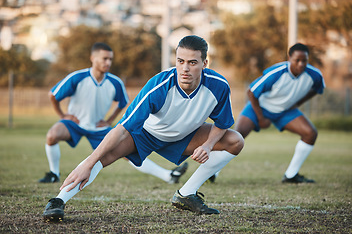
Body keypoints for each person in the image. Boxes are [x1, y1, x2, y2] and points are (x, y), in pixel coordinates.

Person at [42, 35, 244, 222]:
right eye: (180, 61)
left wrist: (208, 146)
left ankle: (186, 194)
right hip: (145, 134)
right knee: (102, 157)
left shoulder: (219, 86)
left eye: (192, 62)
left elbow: (223, 123)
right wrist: (89, 162)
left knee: (235, 141)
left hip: (185, 136)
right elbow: (122, 129)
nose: (184, 69)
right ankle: (59, 200)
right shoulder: (159, 85)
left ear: (204, 64)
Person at [38, 42, 189, 185]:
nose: (108, 62)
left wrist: (109, 120)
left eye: (110, 59)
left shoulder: (115, 82)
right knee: (52, 135)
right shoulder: (77, 77)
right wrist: (63, 116)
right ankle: (54, 174)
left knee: (127, 152)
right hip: (74, 124)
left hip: (99, 127)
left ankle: (168, 176)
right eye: (104, 59)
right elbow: (53, 95)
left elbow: (123, 103)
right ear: (93, 58)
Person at [234, 43, 325, 184]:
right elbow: (251, 92)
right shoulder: (277, 73)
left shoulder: (314, 75)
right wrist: (261, 118)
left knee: (310, 133)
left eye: (304, 61)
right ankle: (212, 173)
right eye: (297, 60)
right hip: (260, 107)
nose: (301, 64)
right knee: (235, 137)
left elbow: (318, 89)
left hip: (285, 111)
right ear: (289, 58)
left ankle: (291, 175)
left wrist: (298, 103)